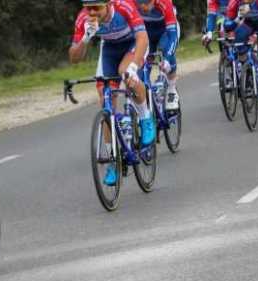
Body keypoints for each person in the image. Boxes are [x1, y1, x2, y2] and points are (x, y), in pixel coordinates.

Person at [69, 0, 153, 186]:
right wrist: (85, 39)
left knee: (127, 73)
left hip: (133, 44)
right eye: (88, 8)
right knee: (106, 100)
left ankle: (145, 117)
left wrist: (134, 66)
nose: (92, 12)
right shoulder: (84, 18)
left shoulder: (124, 6)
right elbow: (74, 57)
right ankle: (112, 161)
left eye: (96, 8)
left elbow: (143, 39)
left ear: (108, 4)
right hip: (109, 49)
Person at [134, 0, 181, 110]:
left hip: (165, 30)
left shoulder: (164, 2)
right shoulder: (131, 3)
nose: (143, 6)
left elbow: (172, 37)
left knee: (164, 50)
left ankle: (171, 89)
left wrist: (168, 59)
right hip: (146, 33)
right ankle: (148, 106)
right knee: (140, 73)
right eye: (140, 2)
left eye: (147, 2)